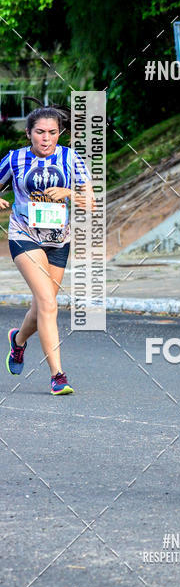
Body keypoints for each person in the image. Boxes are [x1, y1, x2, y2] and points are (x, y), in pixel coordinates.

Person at [0, 105, 94, 394]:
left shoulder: (70, 157)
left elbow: (90, 202)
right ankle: (58, 376)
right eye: (40, 132)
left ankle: (17, 341)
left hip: (58, 241)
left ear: (60, 133)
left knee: (42, 305)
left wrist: (69, 193)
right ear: (28, 133)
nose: (46, 138)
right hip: (24, 235)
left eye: (52, 132)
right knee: (49, 305)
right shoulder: (15, 159)